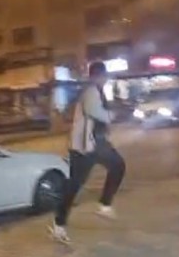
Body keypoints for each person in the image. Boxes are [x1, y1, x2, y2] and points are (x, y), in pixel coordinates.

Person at [50, 61, 126, 243]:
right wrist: (113, 115)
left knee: (117, 166)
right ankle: (60, 224)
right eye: (103, 76)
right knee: (75, 185)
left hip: (95, 144)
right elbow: (96, 112)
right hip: (85, 147)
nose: (105, 79)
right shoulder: (91, 91)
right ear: (97, 76)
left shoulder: (95, 90)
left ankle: (103, 205)